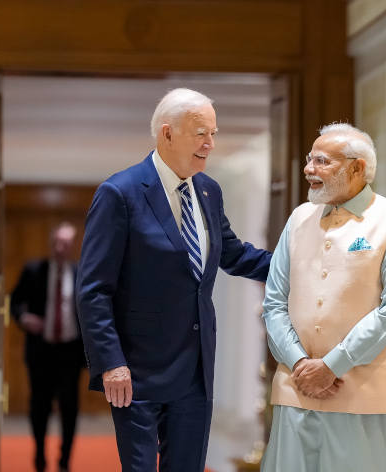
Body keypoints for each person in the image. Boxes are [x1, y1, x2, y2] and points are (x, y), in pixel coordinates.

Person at [76, 88, 271, 471]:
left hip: (195, 369)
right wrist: (111, 362)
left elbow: (233, 253)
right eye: (201, 133)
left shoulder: (208, 191)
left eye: (213, 133)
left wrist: (301, 265)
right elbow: (94, 290)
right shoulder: (120, 193)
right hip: (137, 373)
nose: (210, 144)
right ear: (167, 134)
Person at [261, 123, 386, 471]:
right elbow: (274, 301)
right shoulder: (298, 219)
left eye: (321, 161)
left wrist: (333, 366)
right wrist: (300, 364)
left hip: (368, 397)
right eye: (309, 159)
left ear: (356, 168)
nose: (308, 169)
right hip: (296, 390)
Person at [10, 222, 85, 472]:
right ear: (51, 242)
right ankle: (39, 457)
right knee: (39, 407)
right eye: (57, 242)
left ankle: (65, 461)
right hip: (41, 351)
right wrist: (23, 317)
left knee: (69, 408)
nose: (60, 248)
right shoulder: (34, 270)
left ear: (72, 245)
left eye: (65, 243)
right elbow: (15, 301)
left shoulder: (80, 273)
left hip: (70, 352)